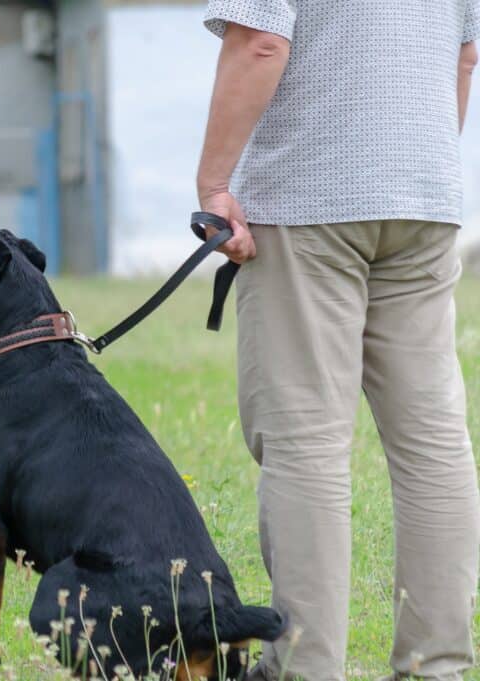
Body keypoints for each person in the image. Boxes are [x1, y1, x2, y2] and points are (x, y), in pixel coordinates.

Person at [196, 2, 480, 680]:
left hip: (310, 196)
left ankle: (305, 666)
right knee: (433, 444)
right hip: (424, 193)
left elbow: (260, 41)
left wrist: (214, 183)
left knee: (304, 444)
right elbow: (465, 55)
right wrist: (410, 172)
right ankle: (436, 665)